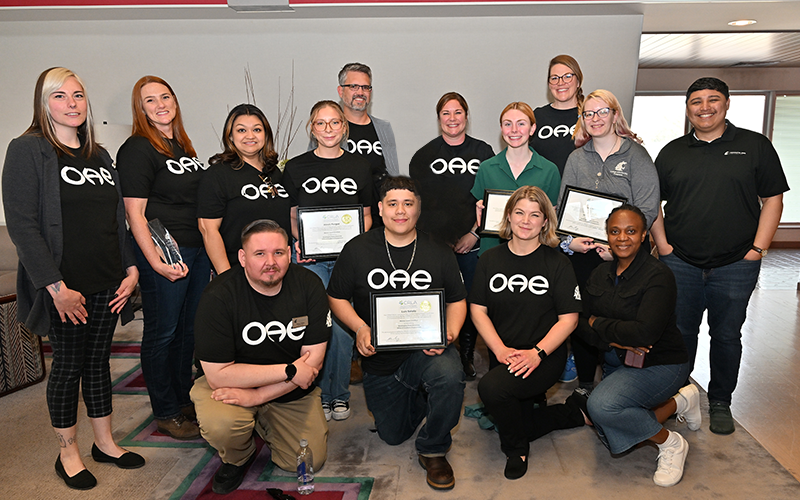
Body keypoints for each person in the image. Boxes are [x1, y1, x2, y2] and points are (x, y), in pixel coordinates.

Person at [2, 67, 143, 490]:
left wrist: (131, 267)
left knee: (98, 363)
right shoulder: (29, 150)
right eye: (60, 96)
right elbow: (23, 225)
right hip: (65, 286)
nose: (72, 103)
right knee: (67, 367)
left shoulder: (98, 156)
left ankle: (105, 442)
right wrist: (57, 288)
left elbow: (117, 219)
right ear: (44, 103)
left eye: (78, 95)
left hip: (107, 280)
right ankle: (68, 453)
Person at [650, 77, 789, 435]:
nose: (704, 107)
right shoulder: (672, 152)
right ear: (687, 108)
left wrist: (758, 249)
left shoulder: (754, 146)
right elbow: (653, 204)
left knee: (727, 335)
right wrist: (663, 246)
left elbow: (773, 198)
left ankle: (721, 400)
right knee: (681, 333)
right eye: (696, 101)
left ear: (726, 105)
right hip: (680, 260)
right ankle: (680, 394)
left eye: (713, 100)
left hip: (736, 263)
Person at [327, 176, 467, 491]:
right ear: (380, 209)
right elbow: (336, 296)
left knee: (449, 374)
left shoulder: (438, 251)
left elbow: (458, 299)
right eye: (392, 203)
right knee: (392, 436)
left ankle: (434, 448)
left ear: (418, 209)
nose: (400, 211)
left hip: (425, 352)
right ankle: (421, 396)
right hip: (380, 360)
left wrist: (450, 332)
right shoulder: (358, 249)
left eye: (408, 203)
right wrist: (360, 327)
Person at [190, 219, 329, 495]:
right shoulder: (218, 296)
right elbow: (219, 375)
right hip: (233, 384)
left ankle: (262, 418)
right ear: (242, 258)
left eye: (278, 253)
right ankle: (238, 456)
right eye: (259, 254)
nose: (271, 262)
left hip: (287, 391)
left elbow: (313, 364)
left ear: (290, 253)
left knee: (305, 460)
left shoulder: (309, 285)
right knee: (223, 425)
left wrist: (257, 397)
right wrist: (289, 370)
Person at [117, 76, 210, 440]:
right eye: (150, 100)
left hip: (196, 250)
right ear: (140, 109)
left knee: (188, 331)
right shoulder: (138, 149)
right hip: (164, 252)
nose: (160, 104)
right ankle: (165, 411)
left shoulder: (181, 146)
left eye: (165, 96)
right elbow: (134, 214)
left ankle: (182, 397)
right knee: (163, 331)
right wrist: (154, 261)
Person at [582, 204, 700, 487]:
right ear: (607, 235)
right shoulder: (599, 273)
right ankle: (680, 402)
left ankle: (671, 443)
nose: (623, 238)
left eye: (631, 231)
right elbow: (579, 321)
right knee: (605, 428)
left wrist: (599, 324)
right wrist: (615, 336)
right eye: (615, 231)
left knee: (603, 408)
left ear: (645, 234)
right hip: (618, 361)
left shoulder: (659, 275)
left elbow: (645, 333)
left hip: (662, 363)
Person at [470, 186, 581, 480]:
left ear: (545, 222)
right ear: (508, 216)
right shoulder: (490, 260)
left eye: (535, 214)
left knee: (492, 390)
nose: (526, 220)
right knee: (511, 409)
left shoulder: (558, 263)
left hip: (544, 355)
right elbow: (477, 311)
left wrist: (537, 353)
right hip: (502, 352)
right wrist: (500, 350)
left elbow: (569, 319)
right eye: (519, 212)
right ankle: (569, 413)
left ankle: (516, 447)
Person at [558, 89, 660, 394]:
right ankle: (585, 385)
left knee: (621, 320)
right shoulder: (577, 158)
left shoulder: (637, 156)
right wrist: (569, 241)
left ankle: (621, 386)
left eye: (602, 111)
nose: (595, 119)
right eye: (588, 114)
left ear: (615, 114)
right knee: (584, 320)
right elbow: (565, 208)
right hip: (584, 256)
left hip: (625, 259)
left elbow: (648, 208)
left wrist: (619, 250)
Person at [283, 100, 373, 422]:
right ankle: (320, 392)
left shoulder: (360, 166)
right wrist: (298, 242)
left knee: (344, 327)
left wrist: (359, 252)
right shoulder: (295, 167)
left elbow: (366, 215)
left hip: (348, 261)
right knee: (320, 324)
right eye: (321, 123)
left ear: (344, 127)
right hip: (312, 260)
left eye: (334, 123)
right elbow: (292, 215)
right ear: (312, 128)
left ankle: (340, 394)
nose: (328, 129)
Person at [409, 92, 494, 380]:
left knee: (470, 301)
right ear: (439, 119)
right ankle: (437, 354)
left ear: (466, 117)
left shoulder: (483, 153)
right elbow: (418, 205)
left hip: (473, 242)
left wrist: (473, 233)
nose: (452, 118)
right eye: (446, 113)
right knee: (436, 299)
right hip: (436, 245)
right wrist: (439, 241)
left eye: (458, 112)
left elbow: (490, 200)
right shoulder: (423, 157)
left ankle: (466, 355)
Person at [198, 104, 292, 274]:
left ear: (266, 135)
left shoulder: (274, 172)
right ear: (230, 136)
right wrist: (226, 277)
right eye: (241, 130)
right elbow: (208, 230)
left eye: (257, 130)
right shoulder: (218, 174)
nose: (250, 136)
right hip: (238, 271)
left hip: (277, 270)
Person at [310, 62, 399, 227]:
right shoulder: (328, 130)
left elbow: (393, 176)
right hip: (341, 220)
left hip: (380, 221)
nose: (360, 92)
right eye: (354, 86)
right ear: (340, 91)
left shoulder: (383, 128)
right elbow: (315, 173)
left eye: (366, 87)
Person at [471, 102, 561, 256]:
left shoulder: (549, 170)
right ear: (501, 129)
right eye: (508, 124)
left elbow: (552, 219)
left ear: (532, 129)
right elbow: (481, 209)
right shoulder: (486, 168)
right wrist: (480, 209)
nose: (514, 130)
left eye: (521, 124)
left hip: (536, 254)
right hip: (493, 253)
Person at [530, 54, 584, 177]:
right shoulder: (537, 116)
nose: (560, 82)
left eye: (567, 77)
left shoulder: (590, 117)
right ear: (549, 84)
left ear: (578, 82)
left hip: (577, 192)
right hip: (543, 192)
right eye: (554, 78)